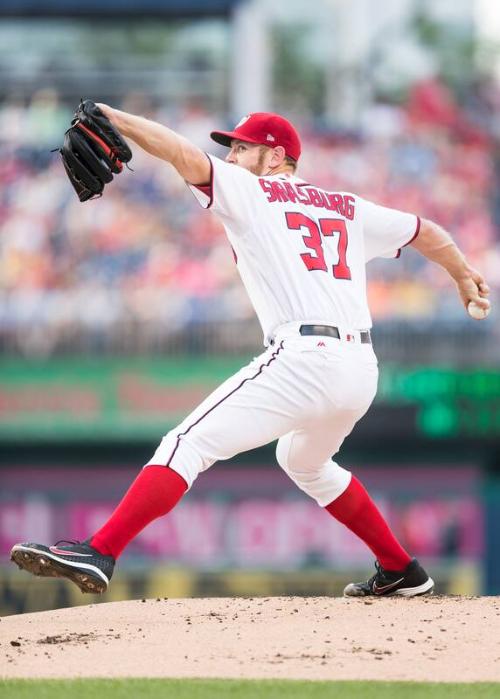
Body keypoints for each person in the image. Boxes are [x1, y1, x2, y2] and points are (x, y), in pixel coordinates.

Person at [11, 109, 491, 598]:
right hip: (360, 369)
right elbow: (426, 231)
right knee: (305, 462)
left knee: (186, 445)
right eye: (231, 148)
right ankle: (401, 569)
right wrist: (463, 276)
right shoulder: (346, 205)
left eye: (242, 147)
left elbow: (180, 151)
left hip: (304, 357)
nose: (232, 156)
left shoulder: (250, 189)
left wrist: (113, 117)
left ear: (276, 155)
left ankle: (100, 550)